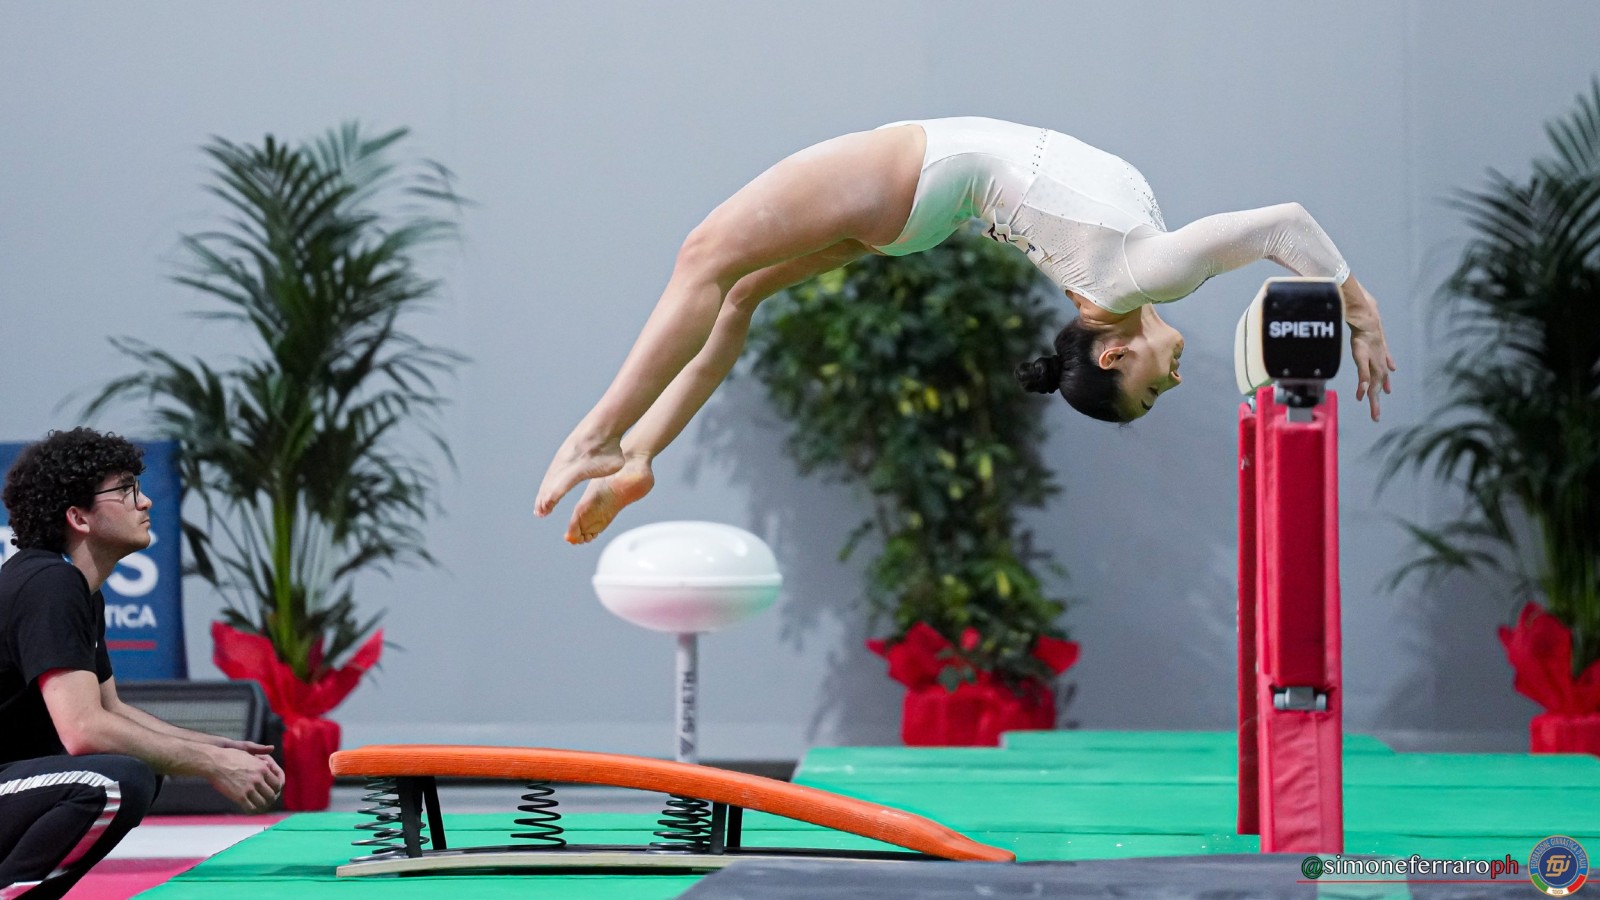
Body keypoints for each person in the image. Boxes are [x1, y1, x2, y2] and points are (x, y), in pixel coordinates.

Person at [535, 116, 1397, 544]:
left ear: (1114, 352)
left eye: (1147, 392)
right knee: (737, 297)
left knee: (703, 257)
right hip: (920, 216)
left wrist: (1361, 312)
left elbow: (1283, 223)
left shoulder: (1150, 276)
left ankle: (600, 435)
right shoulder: (1131, 278)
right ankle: (641, 453)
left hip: (915, 173)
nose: (1172, 381)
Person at [0, 428, 284, 900]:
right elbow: (84, 730)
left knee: (140, 767)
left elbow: (110, 710)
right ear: (79, 517)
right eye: (126, 490)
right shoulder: (49, 584)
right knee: (117, 782)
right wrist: (212, 764)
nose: (145, 501)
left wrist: (217, 747)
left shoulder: (75, 590)